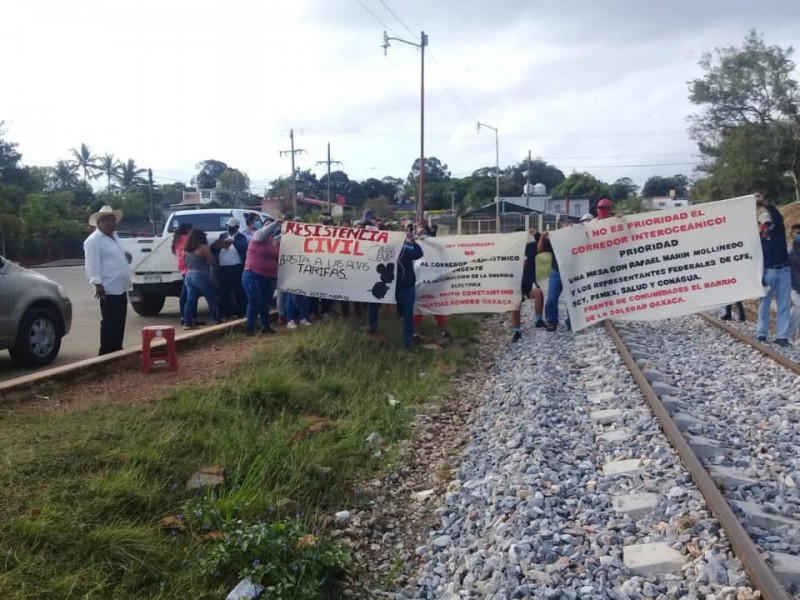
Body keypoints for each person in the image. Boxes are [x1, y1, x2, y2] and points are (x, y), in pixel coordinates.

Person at [84, 205, 132, 355]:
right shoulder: (93, 240)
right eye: (106, 221)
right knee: (110, 321)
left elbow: (118, 254)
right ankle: (106, 352)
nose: (110, 223)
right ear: (98, 223)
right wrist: (97, 283)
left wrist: (126, 257)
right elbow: (92, 264)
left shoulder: (115, 236)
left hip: (121, 285)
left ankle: (117, 349)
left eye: (112, 220)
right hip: (108, 287)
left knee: (119, 321)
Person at [756, 193, 791, 346]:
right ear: (760, 225)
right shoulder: (757, 241)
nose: (767, 227)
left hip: (783, 271)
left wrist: (766, 203)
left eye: (769, 224)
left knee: (783, 304)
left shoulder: (779, 235)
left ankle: (782, 336)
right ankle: (761, 333)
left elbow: (779, 218)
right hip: (767, 272)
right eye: (764, 224)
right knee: (764, 304)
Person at [411, 222, 450, 343]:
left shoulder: (435, 245)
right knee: (417, 309)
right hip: (418, 282)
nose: (421, 235)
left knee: (437, 308)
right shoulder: (413, 245)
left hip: (434, 282)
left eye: (423, 232)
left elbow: (442, 251)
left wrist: (429, 241)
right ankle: (416, 334)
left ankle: (445, 333)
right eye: (418, 233)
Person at [242, 220, 281, 335]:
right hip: (253, 275)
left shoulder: (274, 241)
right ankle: (250, 328)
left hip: (269, 277)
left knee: (265, 303)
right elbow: (265, 231)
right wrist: (276, 223)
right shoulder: (257, 236)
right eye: (267, 225)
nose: (270, 227)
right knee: (255, 302)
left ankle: (265, 326)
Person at [510, 226, 545, 342]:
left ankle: (538, 320)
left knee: (539, 293)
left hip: (529, 281)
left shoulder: (530, 246)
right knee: (515, 304)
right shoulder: (510, 249)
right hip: (515, 283)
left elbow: (541, 247)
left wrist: (537, 234)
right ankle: (516, 330)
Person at [182, 229, 220, 329]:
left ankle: (187, 321)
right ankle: (216, 319)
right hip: (201, 275)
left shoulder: (186, 249)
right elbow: (211, 261)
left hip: (189, 274)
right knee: (210, 297)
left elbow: (184, 262)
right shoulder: (202, 247)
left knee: (190, 299)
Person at [212, 217, 248, 320]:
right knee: (223, 292)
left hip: (236, 267)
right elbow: (215, 248)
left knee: (238, 291)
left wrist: (233, 242)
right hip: (223, 267)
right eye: (228, 226)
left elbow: (243, 247)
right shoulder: (223, 235)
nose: (229, 229)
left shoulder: (241, 237)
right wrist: (219, 245)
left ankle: (240, 311)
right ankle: (225, 312)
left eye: (232, 227)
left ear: (236, 227)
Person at [539, 217, 571, 332]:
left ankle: (571, 322)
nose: (568, 226)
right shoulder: (554, 239)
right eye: (565, 224)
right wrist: (542, 238)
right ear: (559, 228)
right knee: (552, 298)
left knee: (573, 298)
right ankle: (552, 321)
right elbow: (540, 250)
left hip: (572, 272)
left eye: (569, 224)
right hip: (557, 271)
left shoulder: (575, 237)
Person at [396, 228, 424, 348]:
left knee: (408, 315)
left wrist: (412, 241)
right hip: (391, 288)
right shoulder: (385, 249)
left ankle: (407, 341)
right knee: (401, 314)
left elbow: (418, 254)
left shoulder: (406, 248)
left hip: (407, 287)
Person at [171, 222, 193, 326]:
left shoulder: (177, 239)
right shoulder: (187, 238)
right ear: (188, 229)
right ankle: (186, 317)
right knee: (187, 293)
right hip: (188, 267)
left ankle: (184, 316)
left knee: (185, 293)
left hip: (182, 267)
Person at [789, 222, 800, 344]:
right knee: (799, 307)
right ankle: (788, 334)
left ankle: (797, 341)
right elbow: (794, 273)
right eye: (797, 233)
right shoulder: (790, 252)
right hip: (795, 288)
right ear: (792, 235)